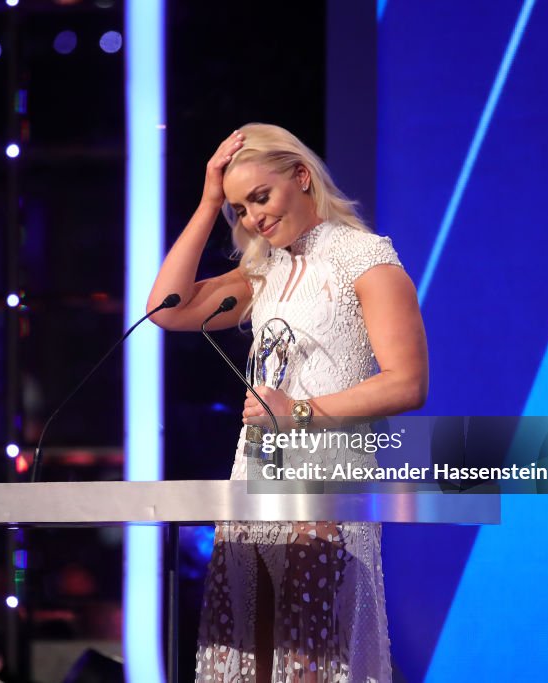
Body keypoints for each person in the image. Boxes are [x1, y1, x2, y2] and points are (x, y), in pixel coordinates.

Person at [147, 124, 428, 682]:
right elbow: (167, 310)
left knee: (307, 664)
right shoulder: (266, 270)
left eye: (260, 197)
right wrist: (208, 202)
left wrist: (298, 412)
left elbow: (407, 383)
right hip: (254, 479)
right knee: (250, 663)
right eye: (239, 209)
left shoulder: (366, 259)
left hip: (323, 480)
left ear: (301, 176)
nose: (252, 219)